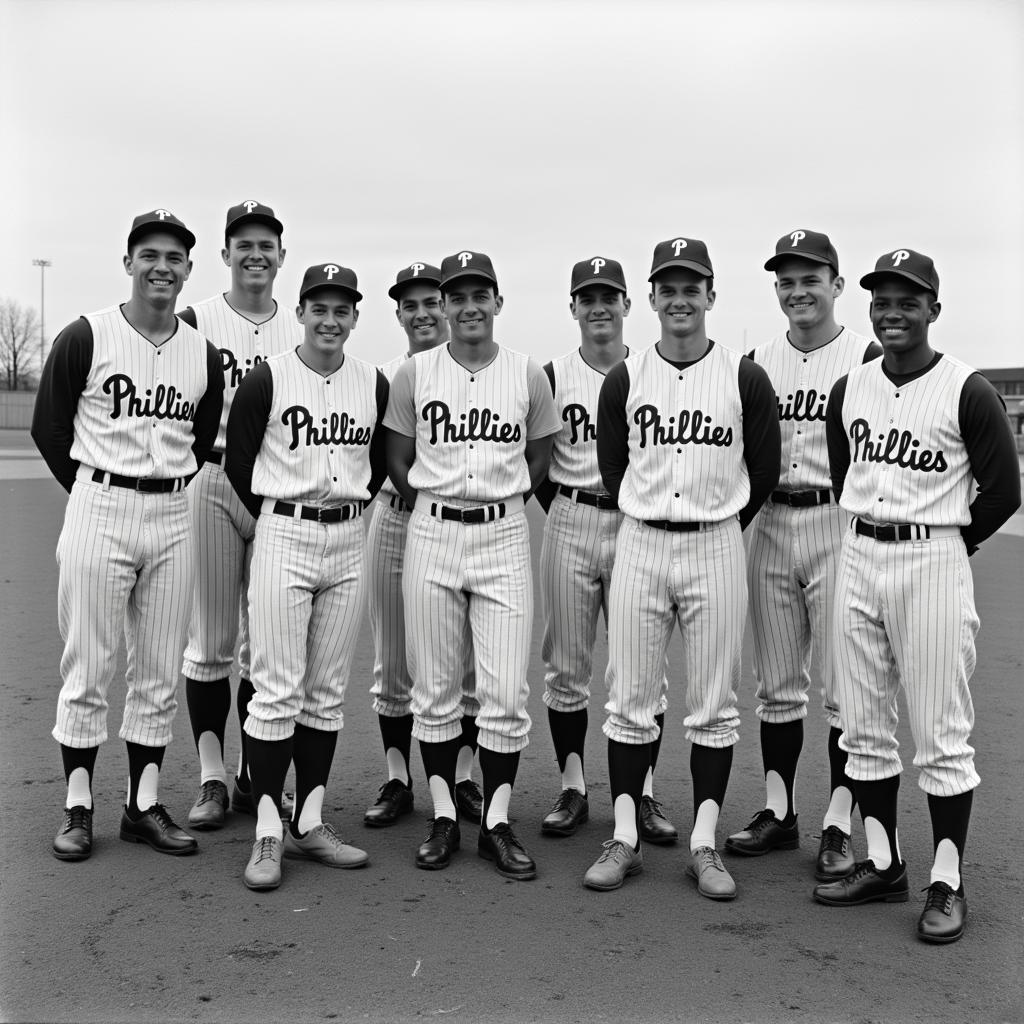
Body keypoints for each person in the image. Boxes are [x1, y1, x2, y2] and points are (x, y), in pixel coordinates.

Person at [815, 248, 1020, 943]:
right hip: (859, 553)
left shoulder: (968, 389)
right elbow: (848, 474)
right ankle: (883, 860)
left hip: (933, 558)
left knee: (940, 735)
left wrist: (948, 549)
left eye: (908, 300)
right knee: (862, 726)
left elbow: (1004, 493)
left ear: (934, 308)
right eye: (883, 300)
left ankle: (947, 878)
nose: (893, 312)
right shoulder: (851, 389)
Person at [584, 237, 780, 895]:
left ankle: (703, 842)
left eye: (690, 287)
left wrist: (721, 523)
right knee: (629, 700)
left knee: (714, 704)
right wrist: (649, 518)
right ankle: (626, 836)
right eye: (667, 287)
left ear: (711, 296)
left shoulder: (744, 376)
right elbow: (614, 469)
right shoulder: (626, 378)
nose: (679, 298)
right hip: (639, 541)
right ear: (652, 298)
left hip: (716, 541)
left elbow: (765, 468)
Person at [33, 208, 223, 861]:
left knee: (159, 671)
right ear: (129, 263)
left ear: (188, 269)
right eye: (150, 255)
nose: (162, 266)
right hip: (100, 505)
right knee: (89, 664)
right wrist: (93, 494)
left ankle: (142, 805)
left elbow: (200, 439)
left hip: (173, 511)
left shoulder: (202, 352)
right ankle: (79, 805)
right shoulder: (87, 336)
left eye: (174, 257)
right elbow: (49, 430)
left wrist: (158, 490)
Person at [384, 250, 559, 878]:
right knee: (433, 688)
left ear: (498, 302)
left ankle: (497, 820)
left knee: (505, 692)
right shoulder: (414, 374)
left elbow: (539, 459)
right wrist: (434, 500)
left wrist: (500, 498)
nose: (468, 306)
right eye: (456, 296)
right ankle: (442, 815)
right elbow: (397, 460)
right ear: (446, 305)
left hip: (503, 533)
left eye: (479, 294)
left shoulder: (527, 374)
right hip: (431, 531)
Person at [225, 262, 389, 891]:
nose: (330, 318)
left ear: (354, 316)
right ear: (299, 313)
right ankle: (269, 827)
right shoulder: (268, 377)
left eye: (341, 308)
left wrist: (348, 506)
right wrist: (279, 510)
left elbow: (374, 464)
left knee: (324, 691)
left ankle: (310, 821)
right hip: (284, 532)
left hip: (349, 535)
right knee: (275, 688)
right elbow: (240, 463)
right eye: (318, 307)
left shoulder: (371, 383)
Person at [725, 230, 880, 880]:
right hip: (773, 522)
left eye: (809, 278)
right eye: (786, 281)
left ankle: (839, 825)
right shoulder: (756, 360)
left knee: (845, 692)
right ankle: (779, 812)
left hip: (839, 529)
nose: (797, 291)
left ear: (837, 285)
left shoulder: (868, 358)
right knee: (778, 689)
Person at [534, 257, 676, 844]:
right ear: (572, 308)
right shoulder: (550, 374)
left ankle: (640, 793)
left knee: (641, 670)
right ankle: (574, 786)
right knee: (566, 666)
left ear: (627, 304)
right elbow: (538, 462)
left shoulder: (653, 371)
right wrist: (564, 509)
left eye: (609, 296)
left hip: (637, 525)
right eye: (586, 297)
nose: (598, 307)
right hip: (570, 515)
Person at [178, 200, 302, 830]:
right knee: (212, 640)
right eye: (243, 244)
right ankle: (210, 774)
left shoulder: (299, 329)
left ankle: (257, 773)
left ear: (282, 255)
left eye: (267, 244)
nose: (256, 254)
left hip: (277, 487)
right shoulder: (196, 320)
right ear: (226, 254)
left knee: (268, 643)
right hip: (215, 476)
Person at [363, 262, 482, 830]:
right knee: (393, 659)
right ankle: (397, 776)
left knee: (462, 662)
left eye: (430, 301)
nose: (422, 313)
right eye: (409, 305)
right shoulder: (384, 377)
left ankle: (460, 777)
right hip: (392, 517)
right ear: (399, 315)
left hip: (455, 526)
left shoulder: (471, 372)